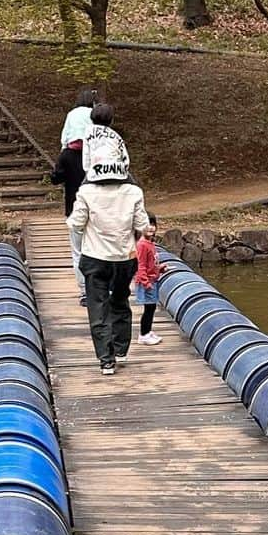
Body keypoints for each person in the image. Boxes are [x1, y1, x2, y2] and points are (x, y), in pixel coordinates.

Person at [68, 129, 149, 375]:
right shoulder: (134, 192)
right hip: (124, 258)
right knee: (121, 299)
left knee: (98, 307)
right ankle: (122, 347)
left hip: (95, 258)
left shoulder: (86, 193)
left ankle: (106, 359)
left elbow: (76, 224)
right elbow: (142, 225)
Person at [51, 88, 97, 303]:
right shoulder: (99, 154)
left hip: (73, 207)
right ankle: (101, 289)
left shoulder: (67, 155)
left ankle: (85, 291)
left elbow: (55, 178)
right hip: (98, 208)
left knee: (78, 251)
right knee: (98, 248)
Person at [134, 215, 165, 345]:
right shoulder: (142, 245)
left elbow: (151, 263)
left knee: (151, 308)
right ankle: (144, 334)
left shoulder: (150, 243)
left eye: (153, 224)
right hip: (147, 282)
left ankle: (147, 331)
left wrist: (159, 269)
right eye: (147, 224)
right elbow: (140, 265)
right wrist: (146, 282)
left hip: (152, 279)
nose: (151, 227)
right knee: (149, 308)